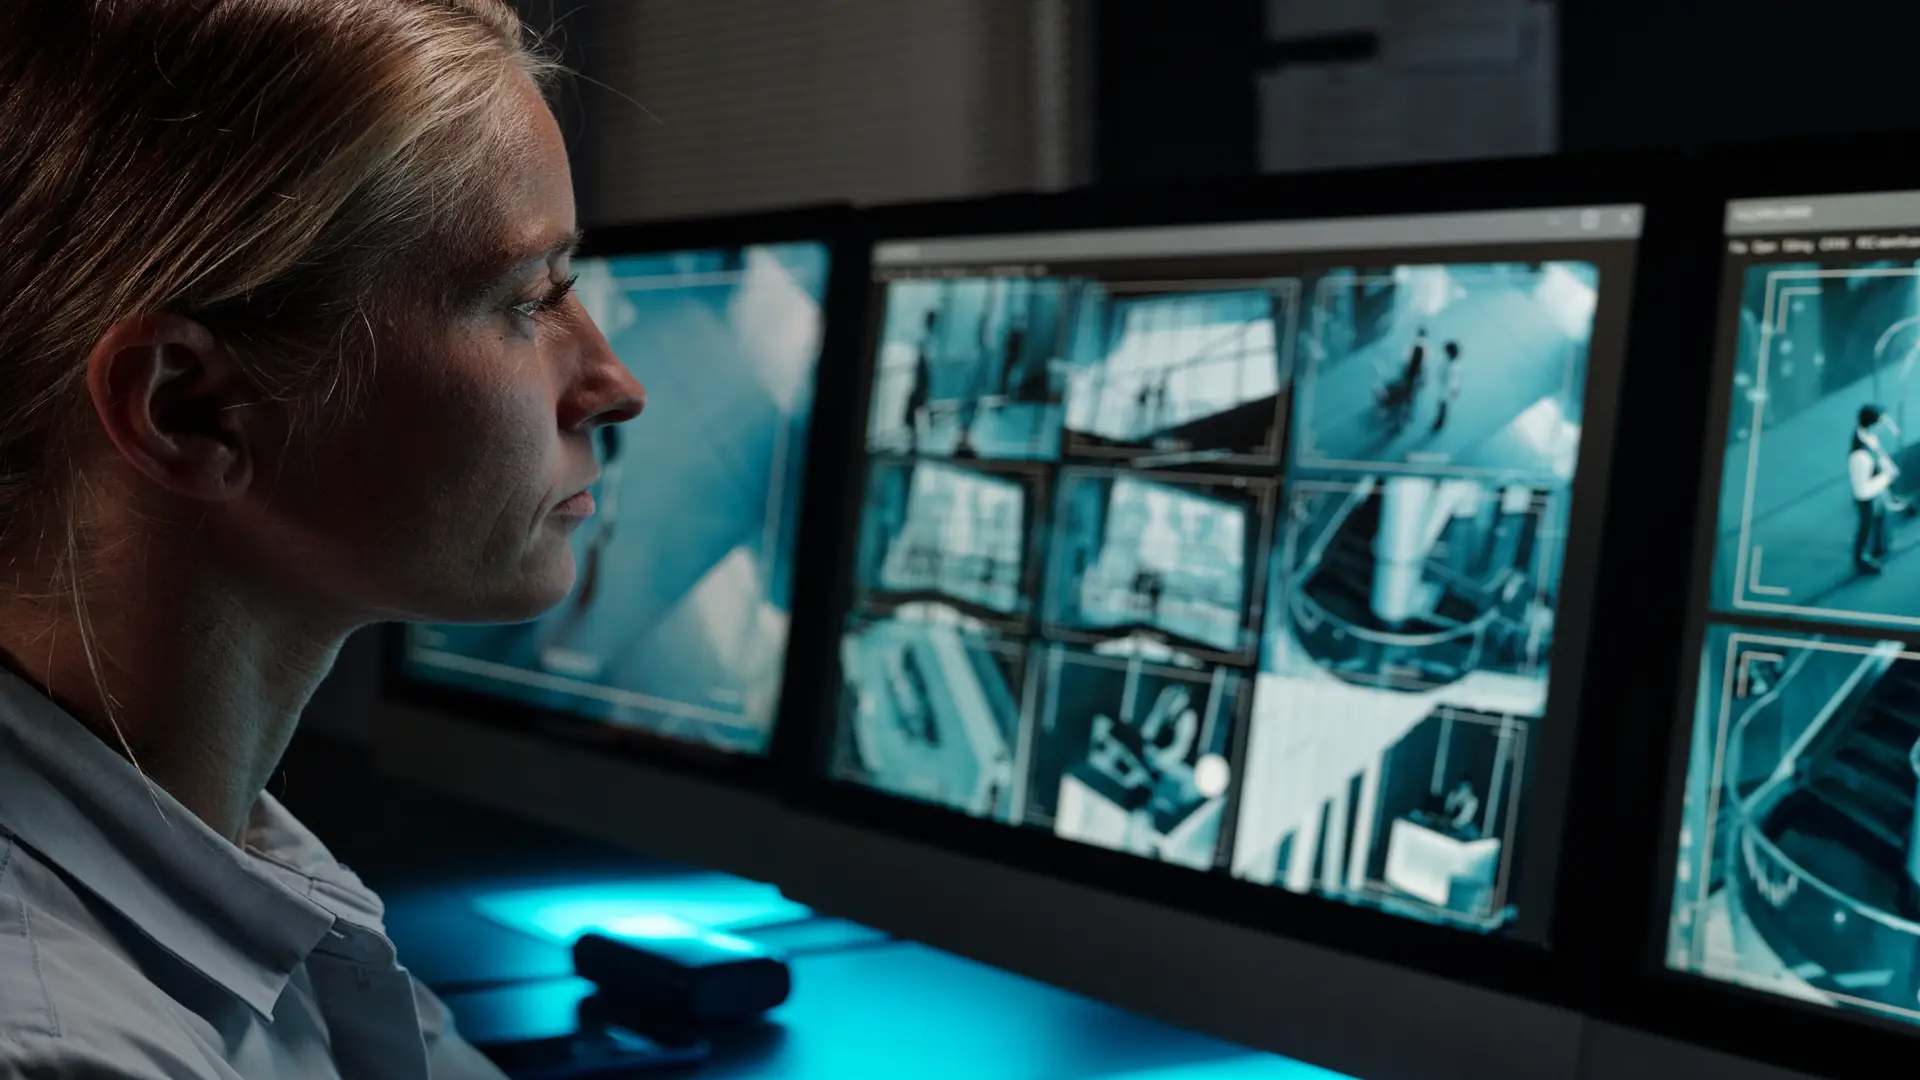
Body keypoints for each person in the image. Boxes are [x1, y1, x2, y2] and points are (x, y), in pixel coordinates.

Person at [0, 3, 645, 1078]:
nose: (614, 386)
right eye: (532, 298)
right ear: (190, 410)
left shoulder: (243, 879)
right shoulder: (68, 1046)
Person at [1850, 405, 1914, 574]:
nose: (1884, 425)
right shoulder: (1860, 456)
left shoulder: (1868, 436)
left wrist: (1889, 467)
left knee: (1878, 518)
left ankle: (1878, 548)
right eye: (1881, 422)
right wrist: (1887, 477)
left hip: (1876, 490)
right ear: (1872, 424)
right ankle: (1861, 559)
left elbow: (1879, 454)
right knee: (1866, 525)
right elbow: (1861, 490)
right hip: (1867, 498)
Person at [1433, 341, 1462, 433]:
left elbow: (1454, 379)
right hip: (1444, 387)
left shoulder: (1454, 366)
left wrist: (1455, 389)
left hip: (1447, 390)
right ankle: (1439, 422)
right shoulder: (1449, 360)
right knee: (1442, 405)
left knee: (1443, 405)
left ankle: (1439, 423)